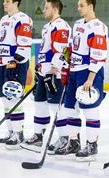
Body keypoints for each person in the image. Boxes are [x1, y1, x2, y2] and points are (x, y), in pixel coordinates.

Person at [53, 0, 107, 161]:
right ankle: (74, 142)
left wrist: (90, 79)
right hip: (74, 72)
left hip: (89, 73)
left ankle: (92, 145)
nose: (78, 8)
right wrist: (65, 61)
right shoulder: (77, 24)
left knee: (89, 109)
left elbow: (98, 54)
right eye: (78, 5)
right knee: (69, 108)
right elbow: (73, 48)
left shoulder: (98, 27)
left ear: (91, 6)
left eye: (82, 5)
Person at [20, 0, 71, 152]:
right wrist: (39, 69)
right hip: (44, 72)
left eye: (46, 7)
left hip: (54, 73)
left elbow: (62, 50)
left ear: (55, 9)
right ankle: (38, 136)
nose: (43, 10)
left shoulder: (61, 25)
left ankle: (64, 138)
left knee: (56, 106)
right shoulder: (47, 27)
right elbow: (45, 51)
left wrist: (54, 70)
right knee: (40, 103)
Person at [0, 0, 33, 149]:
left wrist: (15, 62)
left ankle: (18, 133)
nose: (3, 3)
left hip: (15, 64)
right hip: (3, 64)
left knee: (14, 98)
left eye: (7, 1)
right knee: (5, 99)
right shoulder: (4, 20)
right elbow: (1, 43)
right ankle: (11, 131)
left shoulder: (23, 19)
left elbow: (24, 45)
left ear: (16, 2)